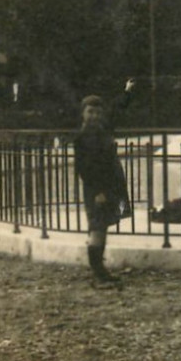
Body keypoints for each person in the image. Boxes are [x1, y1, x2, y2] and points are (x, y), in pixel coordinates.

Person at [74, 79, 135, 288]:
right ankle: (98, 272)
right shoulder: (83, 137)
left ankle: (100, 267)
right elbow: (84, 169)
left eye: (97, 112)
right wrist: (98, 191)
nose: (94, 116)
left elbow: (116, 110)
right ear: (83, 113)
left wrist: (127, 92)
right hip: (97, 189)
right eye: (90, 112)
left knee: (103, 224)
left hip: (111, 186)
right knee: (97, 227)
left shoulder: (102, 129)